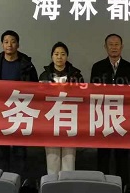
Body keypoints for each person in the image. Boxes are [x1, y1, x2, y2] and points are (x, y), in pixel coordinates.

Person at [90, 34, 130, 186]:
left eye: (117, 44)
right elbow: (93, 92)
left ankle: (123, 186)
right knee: (103, 155)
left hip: (122, 117)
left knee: (122, 155)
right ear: (105, 47)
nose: (114, 47)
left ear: (121, 47)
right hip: (103, 117)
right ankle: (102, 186)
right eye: (111, 44)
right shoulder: (97, 67)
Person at [0, 30, 37, 176]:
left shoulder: (27, 65)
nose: (9, 44)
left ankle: (19, 181)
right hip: (0, 111)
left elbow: (36, 88)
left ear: (18, 45)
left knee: (19, 150)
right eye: (6, 42)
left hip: (20, 111)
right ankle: (2, 181)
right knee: (1, 150)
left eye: (13, 41)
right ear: (2, 44)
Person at [39, 42, 84, 174]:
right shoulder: (44, 76)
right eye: (56, 54)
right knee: (52, 159)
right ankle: (51, 184)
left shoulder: (76, 76)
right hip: (50, 121)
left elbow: (82, 98)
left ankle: (67, 184)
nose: (59, 57)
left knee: (69, 159)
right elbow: (40, 99)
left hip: (70, 120)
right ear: (52, 56)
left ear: (67, 57)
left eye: (63, 54)